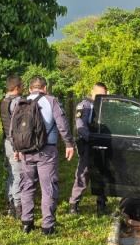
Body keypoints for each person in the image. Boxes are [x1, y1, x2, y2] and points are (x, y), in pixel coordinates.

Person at [12, 76, 75, 235]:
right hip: (46, 151)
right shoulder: (51, 100)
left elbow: (13, 129)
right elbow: (62, 123)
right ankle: (48, 226)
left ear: (29, 89)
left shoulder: (21, 103)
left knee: (27, 186)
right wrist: (68, 143)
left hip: (26, 151)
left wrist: (16, 149)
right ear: (45, 88)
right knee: (48, 187)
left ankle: (27, 222)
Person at [69, 82, 108, 215]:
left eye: (104, 95)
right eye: (99, 94)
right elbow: (80, 126)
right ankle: (74, 204)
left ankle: (101, 203)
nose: (101, 97)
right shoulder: (84, 106)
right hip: (87, 144)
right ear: (92, 92)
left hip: (102, 144)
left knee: (102, 173)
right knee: (83, 173)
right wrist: (92, 139)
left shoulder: (105, 106)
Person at [0, 75, 23, 218]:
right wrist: (18, 148)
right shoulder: (17, 102)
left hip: (6, 142)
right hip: (15, 144)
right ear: (17, 87)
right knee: (18, 175)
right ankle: (17, 208)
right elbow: (18, 127)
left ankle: (9, 205)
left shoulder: (2, 100)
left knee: (11, 175)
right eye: (22, 86)